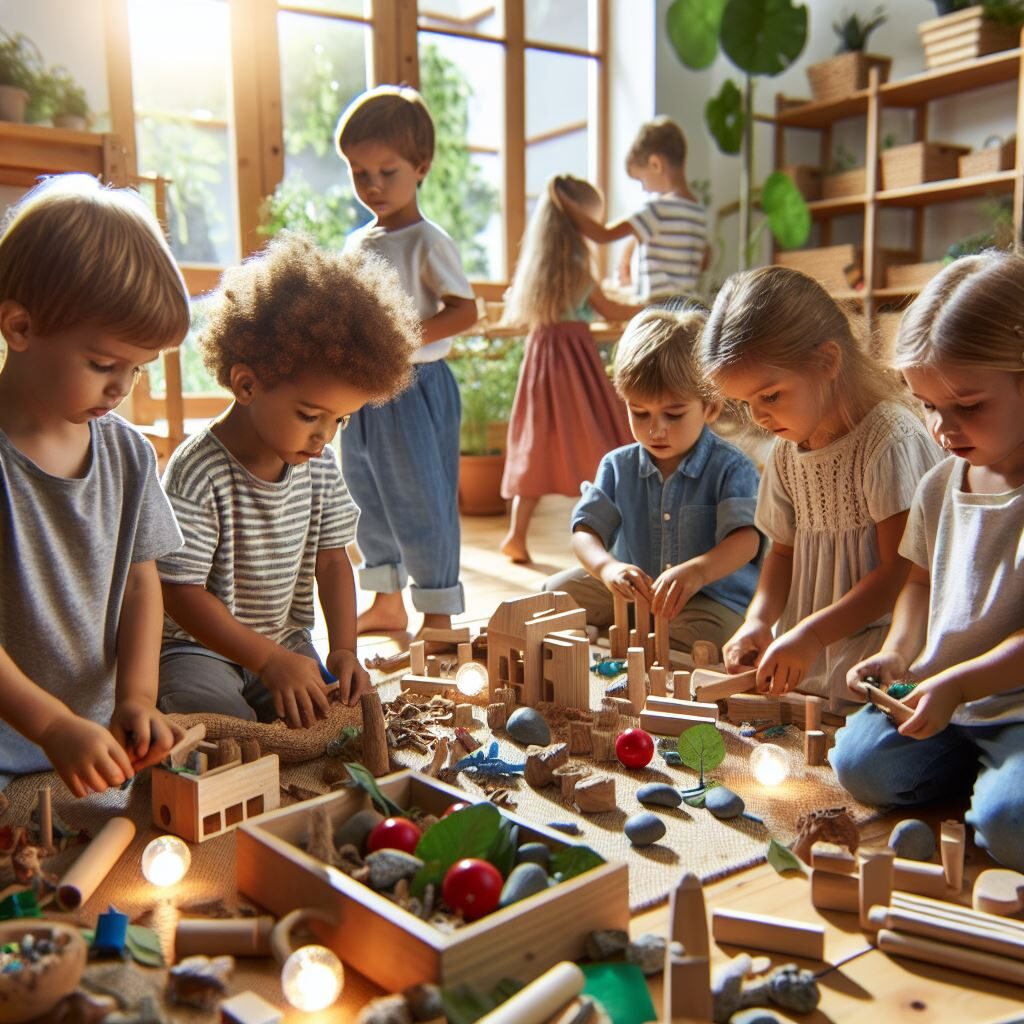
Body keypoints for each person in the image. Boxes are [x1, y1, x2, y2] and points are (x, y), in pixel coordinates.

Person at [157, 233, 419, 727]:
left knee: (333, 721)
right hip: (197, 647)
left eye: (338, 421)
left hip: (285, 641)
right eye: (309, 415)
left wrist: (343, 650)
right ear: (247, 383)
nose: (323, 437)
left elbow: (332, 559)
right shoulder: (197, 470)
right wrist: (267, 661)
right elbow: (180, 592)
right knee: (220, 725)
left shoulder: (316, 464)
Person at [832, 251, 1024, 871]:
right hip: (941, 693)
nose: (944, 427)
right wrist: (899, 652)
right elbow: (916, 582)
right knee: (858, 762)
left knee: (1009, 828)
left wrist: (960, 685)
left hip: (1011, 704)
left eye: (968, 406)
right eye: (928, 405)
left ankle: (995, 782)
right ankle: (978, 774)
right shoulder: (942, 484)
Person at [0, 174, 189, 796]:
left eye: (137, 369)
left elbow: (141, 585)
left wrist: (137, 695)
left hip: (95, 734)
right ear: (20, 328)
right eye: (104, 365)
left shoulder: (129, 454)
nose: (121, 389)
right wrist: (50, 725)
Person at [700, 266, 943, 710]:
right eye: (746, 403)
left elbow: (896, 576)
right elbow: (783, 554)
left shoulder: (887, 442)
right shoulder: (787, 450)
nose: (759, 417)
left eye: (770, 396)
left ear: (828, 362)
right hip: (811, 638)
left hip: (883, 638)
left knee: (855, 708)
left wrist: (810, 636)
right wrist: (759, 620)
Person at [335, 85, 478, 636]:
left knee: (422, 499)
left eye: (386, 172)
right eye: (358, 172)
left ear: (420, 167)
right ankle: (387, 601)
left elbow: (464, 311)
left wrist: (403, 338)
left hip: (417, 388)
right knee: (364, 494)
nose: (371, 185)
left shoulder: (427, 241)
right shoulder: (356, 245)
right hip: (365, 393)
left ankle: (438, 611)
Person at [544, 307, 761, 652]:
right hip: (629, 594)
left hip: (706, 599)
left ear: (711, 408)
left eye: (673, 415)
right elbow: (585, 534)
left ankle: (621, 638)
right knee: (550, 597)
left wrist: (698, 572)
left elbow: (746, 540)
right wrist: (607, 568)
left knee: (709, 638)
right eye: (639, 412)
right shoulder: (617, 465)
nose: (655, 429)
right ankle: (624, 635)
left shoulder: (731, 467)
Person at [500, 175, 641, 563]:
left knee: (537, 443)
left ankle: (516, 536)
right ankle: (609, 533)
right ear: (580, 221)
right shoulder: (578, 264)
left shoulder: (541, 262)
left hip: (542, 357)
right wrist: (649, 306)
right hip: (574, 360)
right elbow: (610, 310)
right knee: (594, 439)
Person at [557, 117, 708, 303]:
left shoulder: (657, 210)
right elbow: (703, 261)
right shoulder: (700, 212)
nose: (644, 189)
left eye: (641, 180)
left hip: (658, 311)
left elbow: (602, 234)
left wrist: (563, 201)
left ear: (655, 164)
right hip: (687, 310)